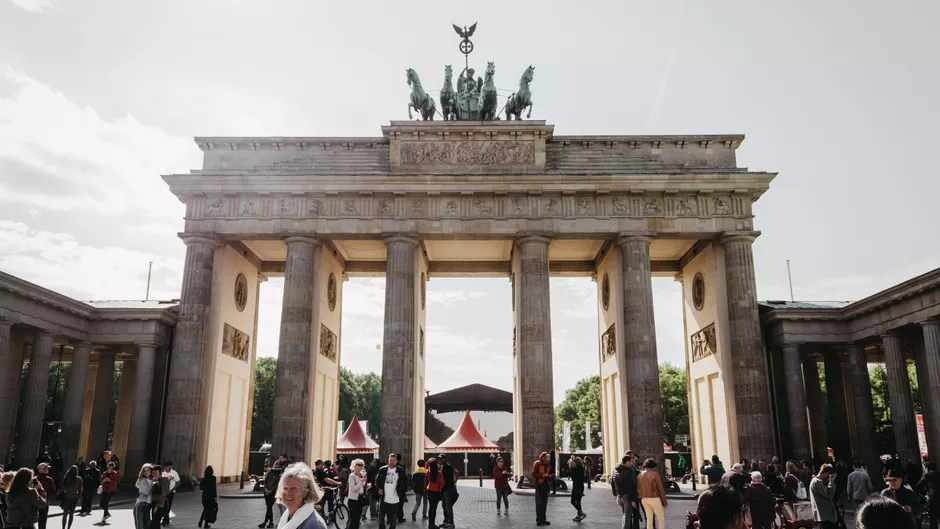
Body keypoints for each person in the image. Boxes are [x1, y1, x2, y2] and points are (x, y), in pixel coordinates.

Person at [275, 462, 328, 529]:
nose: (288, 493)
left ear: (306, 492)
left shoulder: (314, 525)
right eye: (285, 488)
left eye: (294, 488)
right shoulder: (287, 516)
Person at [376, 453, 407, 529]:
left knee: (393, 521)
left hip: (395, 499)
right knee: (381, 519)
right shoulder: (382, 469)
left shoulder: (400, 470)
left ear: (396, 461)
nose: (391, 462)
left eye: (393, 460)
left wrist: (400, 490)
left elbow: (406, 482)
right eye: (390, 460)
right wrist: (378, 489)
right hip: (384, 499)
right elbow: (377, 480)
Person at [637, 459, 666, 529]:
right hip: (654, 498)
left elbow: (638, 488)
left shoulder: (640, 474)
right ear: (652, 466)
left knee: (649, 518)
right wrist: (664, 501)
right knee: (660, 519)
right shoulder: (655, 474)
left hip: (644, 499)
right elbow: (660, 488)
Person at [612, 454, 638, 529]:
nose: (632, 463)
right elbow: (630, 487)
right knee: (627, 517)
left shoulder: (615, 469)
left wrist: (615, 494)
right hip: (627, 497)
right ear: (627, 462)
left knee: (624, 515)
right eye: (630, 462)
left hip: (619, 496)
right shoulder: (628, 471)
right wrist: (633, 500)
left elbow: (612, 483)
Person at [810, 463, 839, 529]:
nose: (828, 476)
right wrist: (831, 483)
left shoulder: (816, 481)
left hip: (824, 514)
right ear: (826, 473)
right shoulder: (817, 482)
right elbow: (829, 495)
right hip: (825, 515)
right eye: (828, 475)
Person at [916, 462, 940, 529]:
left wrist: (923, 495)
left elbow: (918, 486)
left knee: (933, 520)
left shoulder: (927, 475)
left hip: (932, 500)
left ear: (928, 468)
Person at [532, 451, 552, 526]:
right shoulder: (537, 463)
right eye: (548, 457)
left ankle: (543, 519)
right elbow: (534, 474)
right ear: (544, 458)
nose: (549, 459)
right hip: (539, 485)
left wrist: (549, 476)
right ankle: (539, 520)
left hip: (546, 485)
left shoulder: (548, 465)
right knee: (539, 503)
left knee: (544, 503)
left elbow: (549, 473)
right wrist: (543, 475)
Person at [347, 459, 367, 529]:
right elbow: (353, 489)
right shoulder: (352, 475)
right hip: (353, 499)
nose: (361, 466)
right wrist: (361, 481)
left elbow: (362, 487)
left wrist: (365, 482)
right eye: (359, 465)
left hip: (360, 498)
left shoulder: (362, 475)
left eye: (362, 465)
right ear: (354, 466)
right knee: (353, 520)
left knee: (358, 519)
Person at [425, 458, 445, 529]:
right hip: (436, 492)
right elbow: (442, 484)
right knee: (434, 508)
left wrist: (428, 461)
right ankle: (432, 524)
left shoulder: (428, 473)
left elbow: (426, 468)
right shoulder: (439, 473)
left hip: (429, 491)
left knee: (431, 508)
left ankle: (430, 524)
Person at [35, 462, 55, 529]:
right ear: (41, 469)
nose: (47, 470)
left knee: (30, 521)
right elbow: (53, 490)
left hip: (34, 502)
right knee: (42, 522)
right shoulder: (49, 479)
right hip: (44, 502)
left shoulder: (34, 479)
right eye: (46, 468)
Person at [150, 465, 170, 529]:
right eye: (153, 472)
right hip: (154, 504)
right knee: (156, 524)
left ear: (160, 472)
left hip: (161, 505)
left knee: (153, 524)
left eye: (156, 472)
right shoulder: (153, 481)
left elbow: (163, 494)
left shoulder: (164, 480)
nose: (154, 474)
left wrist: (158, 506)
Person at [566, 456, 586, 522]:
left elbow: (576, 477)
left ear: (577, 463)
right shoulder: (575, 469)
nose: (572, 464)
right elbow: (570, 475)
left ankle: (580, 515)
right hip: (575, 486)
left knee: (577, 501)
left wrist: (572, 470)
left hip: (579, 487)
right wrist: (570, 468)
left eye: (573, 463)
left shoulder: (580, 469)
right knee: (573, 501)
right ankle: (580, 513)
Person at [439, 454, 456, 529]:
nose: (440, 460)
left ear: (445, 459)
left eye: (442, 459)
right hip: (443, 488)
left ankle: (451, 522)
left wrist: (454, 483)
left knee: (448, 506)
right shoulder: (441, 467)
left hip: (448, 489)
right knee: (444, 505)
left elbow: (457, 472)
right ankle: (446, 521)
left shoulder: (448, 466)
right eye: (439, 459)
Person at [160, 461, 180, 526]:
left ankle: (165, 521)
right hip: (163, 492)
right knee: (163, 506)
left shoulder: (174, 473)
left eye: (168, 466)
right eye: (165, 466)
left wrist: (172, 490)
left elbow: (178, 482)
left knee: (168, 506)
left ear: (170, 466)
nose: (166, 468)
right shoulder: (162, 473)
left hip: (171, 493)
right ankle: (166, 519)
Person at [134, 464, 153, 529]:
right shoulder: (143, 480)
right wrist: (153, 486)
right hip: (141, 505)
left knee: (147, 526)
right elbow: (146, 492)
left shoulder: (153, 480)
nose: (146, 472)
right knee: (140, 526)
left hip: (148, 505)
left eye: (148, 470)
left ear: (151, 471)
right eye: (144, 471)